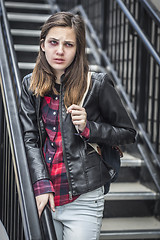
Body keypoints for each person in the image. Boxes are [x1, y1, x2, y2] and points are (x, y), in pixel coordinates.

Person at [19, 12, 136, 240]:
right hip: (46, 195)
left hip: (84, 199)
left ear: (77, 49)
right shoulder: (30, 85)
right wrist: (40, 183)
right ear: (42, 45)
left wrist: (89, 128)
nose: (60, 50)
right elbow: (29, 138)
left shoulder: (97, 84)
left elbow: (128, 133)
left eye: (68, 44)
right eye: (53, 42)